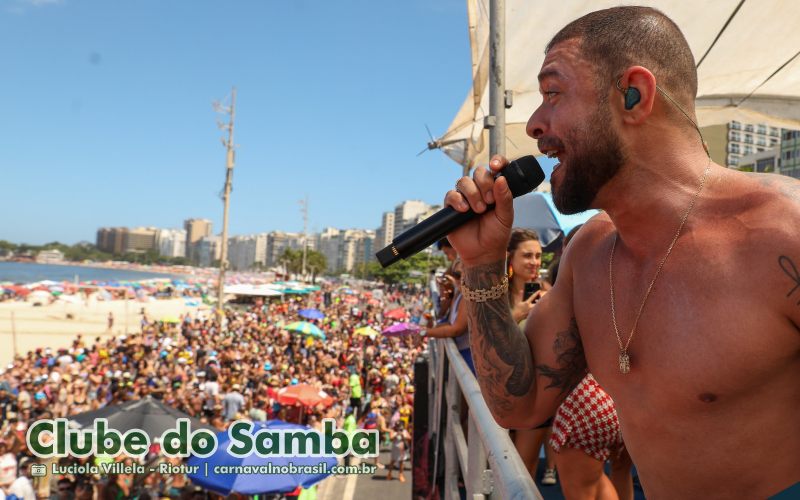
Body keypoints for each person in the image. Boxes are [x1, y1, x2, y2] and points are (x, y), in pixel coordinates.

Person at [444, 6, 800, 498]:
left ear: (633, 94)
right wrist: (482, 264)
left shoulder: (784, 233)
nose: (534, 124)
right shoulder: (588, 253)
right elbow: (517, 407)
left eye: (553, 93)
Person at [504, 229, 558, 486]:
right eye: (527, 255)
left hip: (535, 393)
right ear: (509, 259)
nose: (535, 262)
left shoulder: (548, 295)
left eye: (538, 256)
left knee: (525, 468)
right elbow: (483, 337)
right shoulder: (496, 296)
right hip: (499, 391)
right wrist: (517, 314)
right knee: (498, 461)